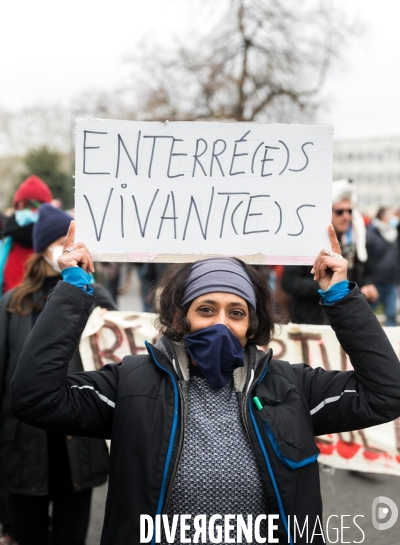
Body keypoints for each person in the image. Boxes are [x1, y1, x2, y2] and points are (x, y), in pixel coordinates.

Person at [9, 222, 400, 545]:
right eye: (206, 309)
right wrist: (74, 290)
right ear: (180, 319)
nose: (220, 324)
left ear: (251, 327)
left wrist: (339, 296)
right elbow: (35, 396)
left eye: (236, 312)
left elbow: (385, 393)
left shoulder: (292, 386)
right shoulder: (130, 384)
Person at [0, 205, 115, 545]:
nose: (67, 250)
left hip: (76, 447)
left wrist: (86, 285)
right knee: (27, 534)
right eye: (59, 242)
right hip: (23, 443)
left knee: (71, 535)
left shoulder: (96, 298)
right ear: (43, 250)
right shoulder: (12, 304)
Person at [282, 179, 377, 324]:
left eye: (349, 211)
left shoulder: (358, 242)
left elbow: (366, 272)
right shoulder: (306, 242)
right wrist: (329, 288)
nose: (346, 216)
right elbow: (289, 281)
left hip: (346, 322)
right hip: (311, 322)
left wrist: (366, 287)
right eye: (339, 211)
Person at [0, 175, 53, 296]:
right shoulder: (6, 242)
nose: (28, 211)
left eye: (34, 205)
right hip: (8, 309)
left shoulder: (55, 242)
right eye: (22, 205)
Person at [366, 206, 400, 326]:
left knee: (391, 315)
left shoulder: (395, 233)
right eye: (390, 215)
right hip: (377, 281)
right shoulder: (371, 233)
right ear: (383, 216)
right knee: (369, 314)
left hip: (392, 281)